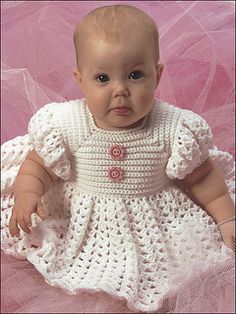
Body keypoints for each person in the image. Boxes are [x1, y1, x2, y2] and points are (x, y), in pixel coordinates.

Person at [1, 4, 235, 313]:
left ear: (158, 74)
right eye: (102, 78)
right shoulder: (68, 124)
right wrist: (27, 193)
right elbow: (38, 165)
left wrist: (227, 218)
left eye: (135, 75)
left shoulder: (172, 128)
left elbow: (203, 178)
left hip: (155, 224)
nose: (120, 90)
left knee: (179, 275)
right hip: (83, 223)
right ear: (80, 79)